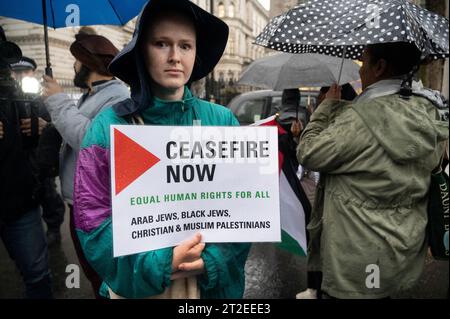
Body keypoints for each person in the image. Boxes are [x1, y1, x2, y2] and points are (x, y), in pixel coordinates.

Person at [73, 0, 251, 299]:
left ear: (196, 53)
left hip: (209, 291)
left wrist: (210, 261)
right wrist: (159, 264)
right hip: (138, 288)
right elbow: (93, 218)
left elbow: (244, 209)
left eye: (185, 46)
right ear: (141, 49)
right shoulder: (108, 126)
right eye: (161, 43)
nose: (174, 57)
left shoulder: (222, 121)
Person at [297, 42, 448, 299]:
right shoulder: (431, 112)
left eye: (364, 63)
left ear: (379, 67)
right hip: (401, 249)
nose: (360, 72)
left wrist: (326, 109)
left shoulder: (358, 118)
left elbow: (309, 153)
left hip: (356, 255)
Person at [42, 33, 130, 298]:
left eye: (76, 63)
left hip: (97, 205)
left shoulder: (117, 98)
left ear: (87, 64)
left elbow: (89, 139)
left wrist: (59, 100)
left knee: (102, 275)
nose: (73, 68)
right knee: (94, 273)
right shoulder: (91, 95)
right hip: (79, 201)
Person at [0, 36, 52, 298]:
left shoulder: (18, 95)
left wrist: (41, 128)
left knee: (38, 275)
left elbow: (38, 140)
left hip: (20, 200)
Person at [10, 56, 66, 246]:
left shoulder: (43, 98)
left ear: (33, 73)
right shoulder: (7, 99)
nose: (21, 76)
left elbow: (59, 125)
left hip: (40, 157)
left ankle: (53, 228)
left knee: (48, 193)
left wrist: (46, 125)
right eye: (17, 72)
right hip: (16, 159)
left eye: (25, 72)